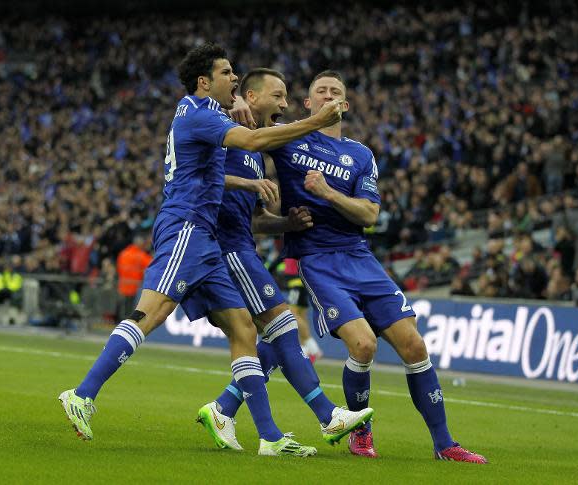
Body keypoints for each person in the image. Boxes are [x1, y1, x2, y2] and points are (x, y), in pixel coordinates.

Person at [58, 43, 345, 456]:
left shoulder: (200, 114)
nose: (235, 78)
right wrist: (315, 120)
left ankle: (269, 437)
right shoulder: (199, 112)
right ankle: (82, 395)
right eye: (228, 73)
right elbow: (253, 140)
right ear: (204, 81)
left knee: (244, 329)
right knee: (150, 313)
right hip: (186, 226)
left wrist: (247, 183)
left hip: (207, 237)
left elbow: (221, 161)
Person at [265, 70, 487, 463]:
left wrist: (328, 192)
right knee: (363, 344)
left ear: (345, 105)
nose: (329, 96)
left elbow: (368, 212)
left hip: (360, 258)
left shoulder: (361, 155)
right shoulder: (290, 136)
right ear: (308, 103)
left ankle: (444, 444)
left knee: (415, 345)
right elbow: (251, 127)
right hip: (318, 260)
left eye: (336, 92)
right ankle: (361, 434)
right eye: (321, 91)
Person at [195, 68, 373, 451]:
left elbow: (257, 220)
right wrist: (236, 100)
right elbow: (194, 173)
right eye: (278, 96)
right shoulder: (224, 130)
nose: (284, 104)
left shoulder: (257, 156)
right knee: (281, 326)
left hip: (243, 244)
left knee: (275, 336)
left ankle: (224, 409)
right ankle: (324, 417)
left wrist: (286, 223)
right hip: (224, 247)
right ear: (251, 96)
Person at [116, 232, 153, 318]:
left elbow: (118, 269)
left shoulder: (123, 253)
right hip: (135, 289)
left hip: (122, 287)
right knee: (132, 313)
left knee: (123, 312)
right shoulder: (141, 256)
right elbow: (153, 266)